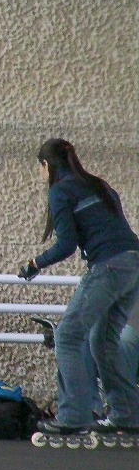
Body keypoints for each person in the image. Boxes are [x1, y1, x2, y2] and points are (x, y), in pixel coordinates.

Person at [17, 138, 139, 437]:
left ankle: (74, 416)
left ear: (47, 165)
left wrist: (35, 263)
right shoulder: (99, 185)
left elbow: (67, 245)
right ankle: (127, 416)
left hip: (109, 266)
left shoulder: (61, 190)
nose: (41, 174)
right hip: (134, 264)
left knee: (68, 336)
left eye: (40, 168)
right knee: (103, 341)